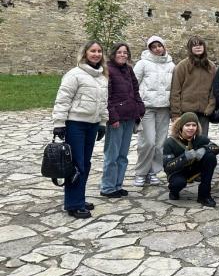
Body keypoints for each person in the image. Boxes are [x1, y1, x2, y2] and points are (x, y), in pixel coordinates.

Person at [52, 41, 109, 218]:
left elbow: (103, 103)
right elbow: (63, 99)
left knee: (85, 163)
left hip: (92, 125)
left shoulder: (102, 77)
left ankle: (79, 198)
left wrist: (102, 123)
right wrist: (59, 123)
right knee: (76, 164)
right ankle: (73, 204)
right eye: (93, 51)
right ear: (85, 53)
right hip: (76, 124)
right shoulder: (74, 74)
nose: (96, 54)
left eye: (99, 51)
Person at [100, 42, 145, 199]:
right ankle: (108, 187)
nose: (122, 55)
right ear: (114, 54)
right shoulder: (108, 70)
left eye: (125, 53)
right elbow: (106, 96)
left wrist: (139, 107)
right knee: (112, 155)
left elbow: (135, 90)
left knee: (123, 155)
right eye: (119, 52)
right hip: (116, 119)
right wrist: (113, 117)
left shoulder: (129, 70)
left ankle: (118, 185)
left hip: (129, 117)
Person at [133, 35, 174, 187]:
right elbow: (133, 84)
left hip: (164, 108)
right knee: (148, 142)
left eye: (159, 46)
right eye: (154, 47)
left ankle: (153, 172)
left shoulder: (171, 65)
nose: (157, 49)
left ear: (164, 47)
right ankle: (141, 172)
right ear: (149, 49)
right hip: (147, 108)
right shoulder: (143, 64)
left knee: (159, 143)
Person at [163, 112, 218, 207]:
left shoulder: (200, 139)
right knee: (178, 183)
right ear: (181, 126)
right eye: (187, 125)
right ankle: (173, 191)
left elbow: (216, 148)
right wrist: (184, 158)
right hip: (178, 172)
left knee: (210, 157)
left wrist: (204, 149)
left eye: (194, 125)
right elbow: (167, 167)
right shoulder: (170, 142)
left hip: (194, 170)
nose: (191, 128)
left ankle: (204, 195)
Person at [170, 36, 215, 138]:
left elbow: (214, 90)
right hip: (186, 111)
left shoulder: (211, 67)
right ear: (190, 48)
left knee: (202, 140)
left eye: (200, 45)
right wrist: (175, 114)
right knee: (185, 140)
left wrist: (210, 107)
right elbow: (175, 91)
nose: (198, 47)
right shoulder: (182, 66)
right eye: (194, 45)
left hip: (204, 112)